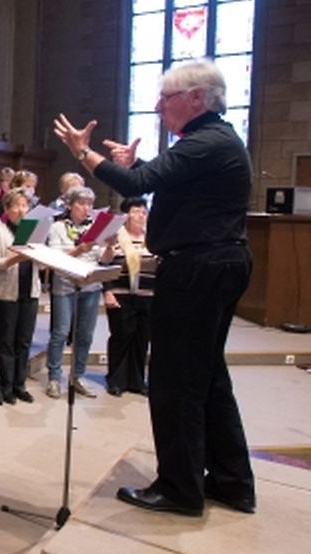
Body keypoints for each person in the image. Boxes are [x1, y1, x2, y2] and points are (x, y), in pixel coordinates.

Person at [53, 59, 255, 516]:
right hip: (217, 262)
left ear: (197, 98)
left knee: (176, 379)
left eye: (167, 97)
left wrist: (84, 153)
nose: (159, 105)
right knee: (208, 376)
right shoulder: (213, 141)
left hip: (198, 269)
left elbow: (139, 184)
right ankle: (232, 481)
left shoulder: (206, 141)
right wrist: (136, 163)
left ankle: (181, 489)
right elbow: (169, 181)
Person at [43, 186, 115, 399]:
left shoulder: (95, 227)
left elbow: (105, 259)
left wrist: (110, 247)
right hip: (65, 284)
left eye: (90, 205)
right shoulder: (57, 227)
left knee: (85, 335)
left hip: (90, 286)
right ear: (70, 205)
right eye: (81, 204)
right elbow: (55, 259)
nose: (86, 209)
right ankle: (54, 378)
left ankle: (78, 375)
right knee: (61, 332)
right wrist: (80, 249)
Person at [0, 188, 41, 404]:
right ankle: (6, 385)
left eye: (24, 206)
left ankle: (20, 384)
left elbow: (40, 259)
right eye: (16, 206)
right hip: (8, 293)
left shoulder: (34, 230)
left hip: (31, 291)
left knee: (24, 340)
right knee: (7, 341)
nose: (21, 210)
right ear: (7, 209)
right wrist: (12, 260)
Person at [102, 197, 154, 397]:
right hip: (120, 295)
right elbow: (104, 265)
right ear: (125, 216)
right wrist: (107, 291)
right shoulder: (115, 237)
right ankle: (116, 380)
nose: (140, 215)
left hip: (148, 295)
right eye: (135, 211)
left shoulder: (152, 238)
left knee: (142, 339)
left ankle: (137, 381)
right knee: (121, 337)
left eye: (143, 211)